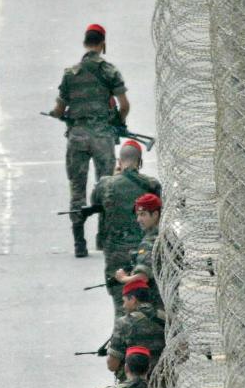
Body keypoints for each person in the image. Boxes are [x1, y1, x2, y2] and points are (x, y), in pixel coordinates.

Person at [48, 23, 129, 258]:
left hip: (78, 138)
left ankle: (79, 242)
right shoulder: (110, 71)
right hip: (103, 137)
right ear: (102, 44)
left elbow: (59, 108)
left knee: (77, 188)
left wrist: (58, 114)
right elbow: (124, 105)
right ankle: (104, 239)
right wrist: (117, 122)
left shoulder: (70, 74)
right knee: (106, 187)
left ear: (85, 43)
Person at [89, 140, 161, 317]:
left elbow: (95, 201)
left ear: (119, 162)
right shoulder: (151, 184)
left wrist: (114, 176)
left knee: (123, 305)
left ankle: (123, 338)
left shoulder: (106, 184)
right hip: (146, 249)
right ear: (140, 162)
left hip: (116, 251)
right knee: (150, 304)